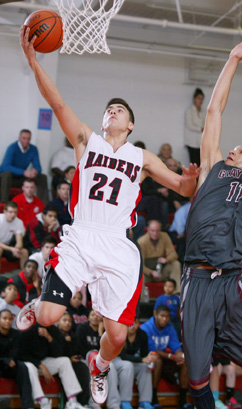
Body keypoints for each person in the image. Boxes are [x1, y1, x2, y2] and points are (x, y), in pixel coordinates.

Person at [17, 25, 200, 406]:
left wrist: (191, 180)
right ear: (103, 121)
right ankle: (36, 304)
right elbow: (57, 104)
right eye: (108, 109)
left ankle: (98, 364)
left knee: (117, 337)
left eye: (119, 110)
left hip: (118, 245)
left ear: (129, 125)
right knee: (50, 316)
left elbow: (183, 191)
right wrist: (34, 61)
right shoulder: (87, 139)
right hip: (83, 234)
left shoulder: (142, 158)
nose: (111, 111)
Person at [179, 43, 242, 409]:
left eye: (240, 149)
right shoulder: (212, 169)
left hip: (233, 280)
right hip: (200, 280)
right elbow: (214, 110)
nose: (234, 149)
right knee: (197, 378)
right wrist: (233, 59)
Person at [140, 305, 191, 409]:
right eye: (162, 316)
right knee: (157, 360)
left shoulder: (170, 327)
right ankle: (153, 399)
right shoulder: (146, 327)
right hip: (149, 359)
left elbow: (176, 346)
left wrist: (179, 355)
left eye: (167, 316)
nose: (165, 319)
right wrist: (172, 357)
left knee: (185, 362)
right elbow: (152, 350)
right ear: (155, 314)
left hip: (165, 360)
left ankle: (182, 401)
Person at [0, 129, 49, 203]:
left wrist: (35, 171)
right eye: (24, 138)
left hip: (22, 178)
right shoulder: (12, 148)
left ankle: (43, 205)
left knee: (42, 177)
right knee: (7, 175)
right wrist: (23, 172)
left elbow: (38, 167)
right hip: (9, 178)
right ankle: (3, 203)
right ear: (19, 138)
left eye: (28, 139)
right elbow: (5, 167)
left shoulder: (33, 149)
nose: (26, 141)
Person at [119, 317, 157, 409]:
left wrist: (149, 358)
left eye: (135, 323)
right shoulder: (120, 333)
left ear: (138, 324)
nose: (132, 326)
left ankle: (145, 402)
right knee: (128, 365)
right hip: (118, 363)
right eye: (129, 323)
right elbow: (122, 356)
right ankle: (125, 401)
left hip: (133, 363)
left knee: (145, 366)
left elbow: (144, 355)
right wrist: (142, 359)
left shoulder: (142, 334)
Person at [0, 309, 34, 409]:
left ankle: (27, 405)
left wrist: (12, 360)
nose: (7, 321)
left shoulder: (15, 334)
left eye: (10, 319)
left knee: (22, 367)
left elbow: (16, 351)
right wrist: (6, 360)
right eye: (4, 318)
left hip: (10, 365)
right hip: (1, 363)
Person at [137, 220, 182, 293]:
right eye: (152, 231)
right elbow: (139, 265)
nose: (155, 233)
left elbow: (173, 254)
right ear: (148, 230)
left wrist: (167, 260)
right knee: (140, 276)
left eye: (157, 231)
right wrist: (151, 272)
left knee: (176, 264)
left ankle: (176, 293)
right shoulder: (141, 242)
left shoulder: (164, 236)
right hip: (147, 273)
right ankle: (141, 302)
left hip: (161, 269)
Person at [0, 201, 28, 272]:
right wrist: (11, 249)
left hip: (8, 246)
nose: (13, 215)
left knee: (24, 252)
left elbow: (19, 242)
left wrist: (16, 249)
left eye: (15, 212)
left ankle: (24, 276)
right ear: (5, 211)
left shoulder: (18, 222)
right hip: (3, 246)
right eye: (10, 212)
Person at [184, 88, 206, 167]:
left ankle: (201, 179)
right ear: (194, 98)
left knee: (201, 163)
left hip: (201, 142)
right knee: (194, 163)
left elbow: (206, 123)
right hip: (192, 142)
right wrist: (201, 128)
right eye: (198, 98)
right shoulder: (189, 111)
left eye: (202, 99)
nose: (200, 101)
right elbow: (189, 125)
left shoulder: (204, 111)